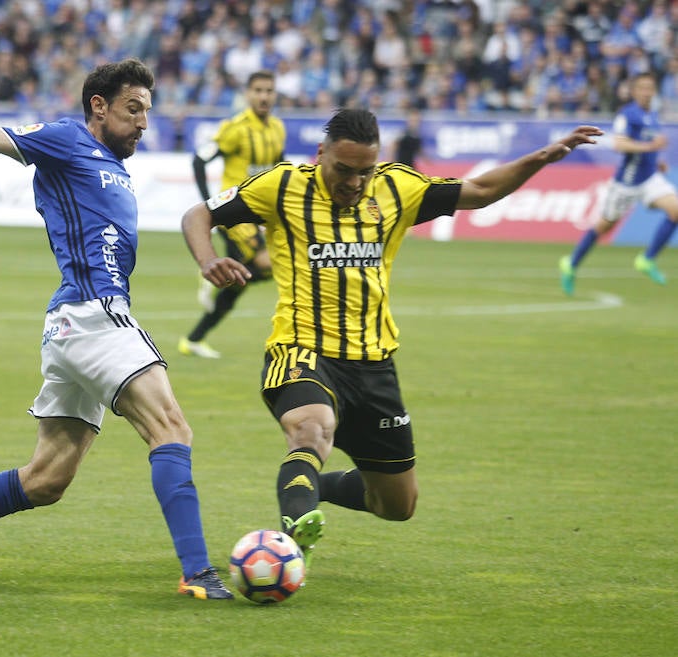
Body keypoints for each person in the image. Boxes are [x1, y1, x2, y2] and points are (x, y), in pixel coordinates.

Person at [0, 59, 232, 600]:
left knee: (45, 480)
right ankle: (198, 573)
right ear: (98, 105)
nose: (144, 122)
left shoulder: (111, 163)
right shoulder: (66, 140)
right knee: (171, 428)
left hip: (72, 325)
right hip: (95, 316)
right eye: (132, 109)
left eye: (147, 111)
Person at [181, 108, 601, 570]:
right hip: (302, 349)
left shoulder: (398, 187)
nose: (355, 182)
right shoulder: (282, 186)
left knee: (397, 504)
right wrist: (207, 260)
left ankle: (311, 488)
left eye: (365, 171)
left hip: (374, 365)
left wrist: (541, 157)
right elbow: (200, 214)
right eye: (344, 169)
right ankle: (293, 535)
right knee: (311, 429)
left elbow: (481, 192)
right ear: (321, 154)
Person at [177, 70, 286, 359]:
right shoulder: (235, 128)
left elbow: (279, 168)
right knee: (267, 263)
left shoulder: (277, 128)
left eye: (268, 91)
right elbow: (199, 160)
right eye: (258, 90)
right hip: (235, 215)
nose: (263, 96)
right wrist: (210, 208)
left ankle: (195, 336)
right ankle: (213, 268)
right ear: (248, 94)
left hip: (263, 215)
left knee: (241, 280)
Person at [559, 72, 678, 295]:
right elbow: (619, 144)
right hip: (626, 184)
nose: (647, 92)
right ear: (634, 91)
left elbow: (645, 144)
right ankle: (571, 263)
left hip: (649, 178)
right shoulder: (627, 114)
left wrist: (657, 161)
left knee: (676, 210)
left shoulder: (652, 115)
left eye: (650, 88)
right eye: (642, 88)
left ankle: (647, 259)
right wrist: (651, 147)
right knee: (604, 227)